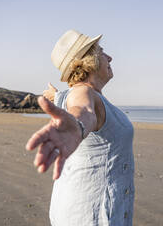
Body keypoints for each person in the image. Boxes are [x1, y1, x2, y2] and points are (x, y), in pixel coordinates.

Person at [26, 30, 135, 226]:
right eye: (102, 51)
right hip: (92, 215)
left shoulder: (81, 94)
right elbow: (82, 110)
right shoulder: (83, 92)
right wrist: (77, 126)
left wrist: (57, 97)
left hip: (76, 207)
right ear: (88, 61)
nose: (110, 57)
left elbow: (76, 104)